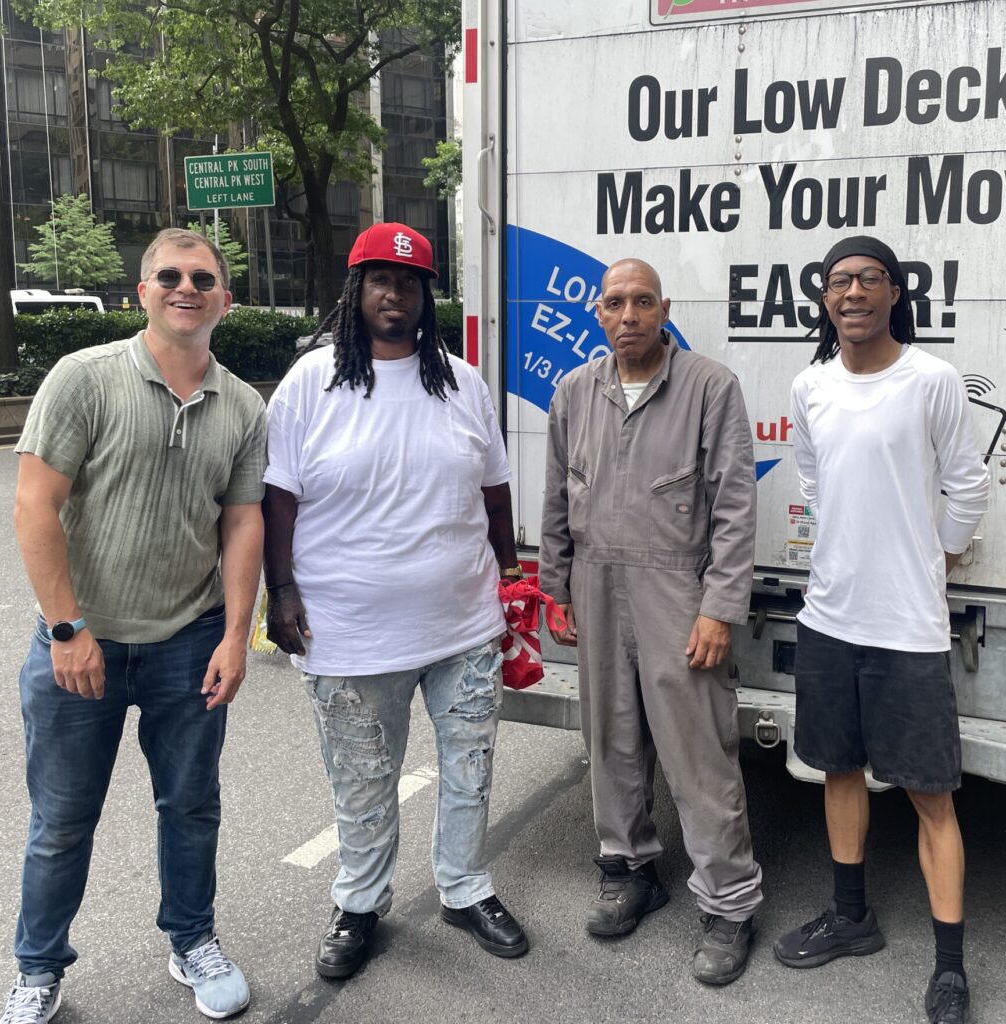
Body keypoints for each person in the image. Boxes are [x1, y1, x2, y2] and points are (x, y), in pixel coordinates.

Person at [0, 228, 266, 1024]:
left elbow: (243, 524)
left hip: (189, 641)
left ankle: (192, 941)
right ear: (142, 292)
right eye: (170, 276)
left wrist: (233, 636)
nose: (187, 287)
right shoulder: (84, 378)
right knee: (61, 822)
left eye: (203, 278)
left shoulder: (244, 405)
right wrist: (65, 629)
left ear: (225, 298)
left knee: (191, 807)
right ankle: (38, 970)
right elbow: (33, 505)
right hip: (82, 644)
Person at [262, 221, 528, 981]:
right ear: (355, 290)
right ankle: (359, 902)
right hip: (348, 631)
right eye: (379, 279)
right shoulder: (313, 380)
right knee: (363, 781)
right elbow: (276, 501)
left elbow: (495, 490)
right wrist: (279, 594)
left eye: (409, 281)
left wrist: (510, 578)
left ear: (425, 296)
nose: (394, 292)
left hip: (464, 624)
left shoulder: (460, 380)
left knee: (470, 768)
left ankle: (465, 887)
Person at [773, 236, 990, 1024]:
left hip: (910, 628)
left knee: (932, 797)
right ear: (825, 300)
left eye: (868, 279)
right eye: (838, 282)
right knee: (837, 770)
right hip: (830, 618)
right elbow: (810, 478)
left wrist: (933, 555)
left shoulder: (930, 380)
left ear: (895, 292)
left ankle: (950, 967)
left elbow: (967, 484)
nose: (852, 292)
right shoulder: (810, 386)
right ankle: (851, 916)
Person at [539, 257, 762, 985]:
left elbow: (733, 507)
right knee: (610, 741)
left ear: (664, 308)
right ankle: (629, 869)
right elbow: (555, 503)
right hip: (595, 581)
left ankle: (728, 904)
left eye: (642, 301)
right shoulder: (574, 392)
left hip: (678, 589)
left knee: (700, 754)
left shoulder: (709, 387)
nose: (628, 315)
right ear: (596, 314)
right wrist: (556, 587)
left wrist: (720, 608)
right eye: (614, 303)